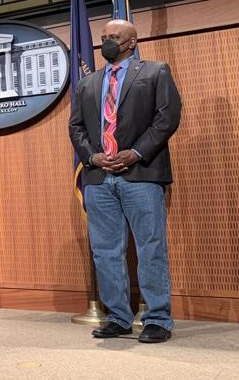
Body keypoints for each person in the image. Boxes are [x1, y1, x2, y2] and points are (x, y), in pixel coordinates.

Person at [68, 19, 182, 343]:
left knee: (151, 247)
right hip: (98, 177)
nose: (106, 42)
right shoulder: (87, 83)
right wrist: (92, 157)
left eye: (114, 37)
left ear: (132, 41)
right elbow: (76, 127)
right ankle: (118, 316)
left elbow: (167, 117)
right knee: (105, 251)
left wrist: (136, 153)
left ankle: (158, 319)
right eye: (103, 38)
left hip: (141, 174)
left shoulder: (155, 72)